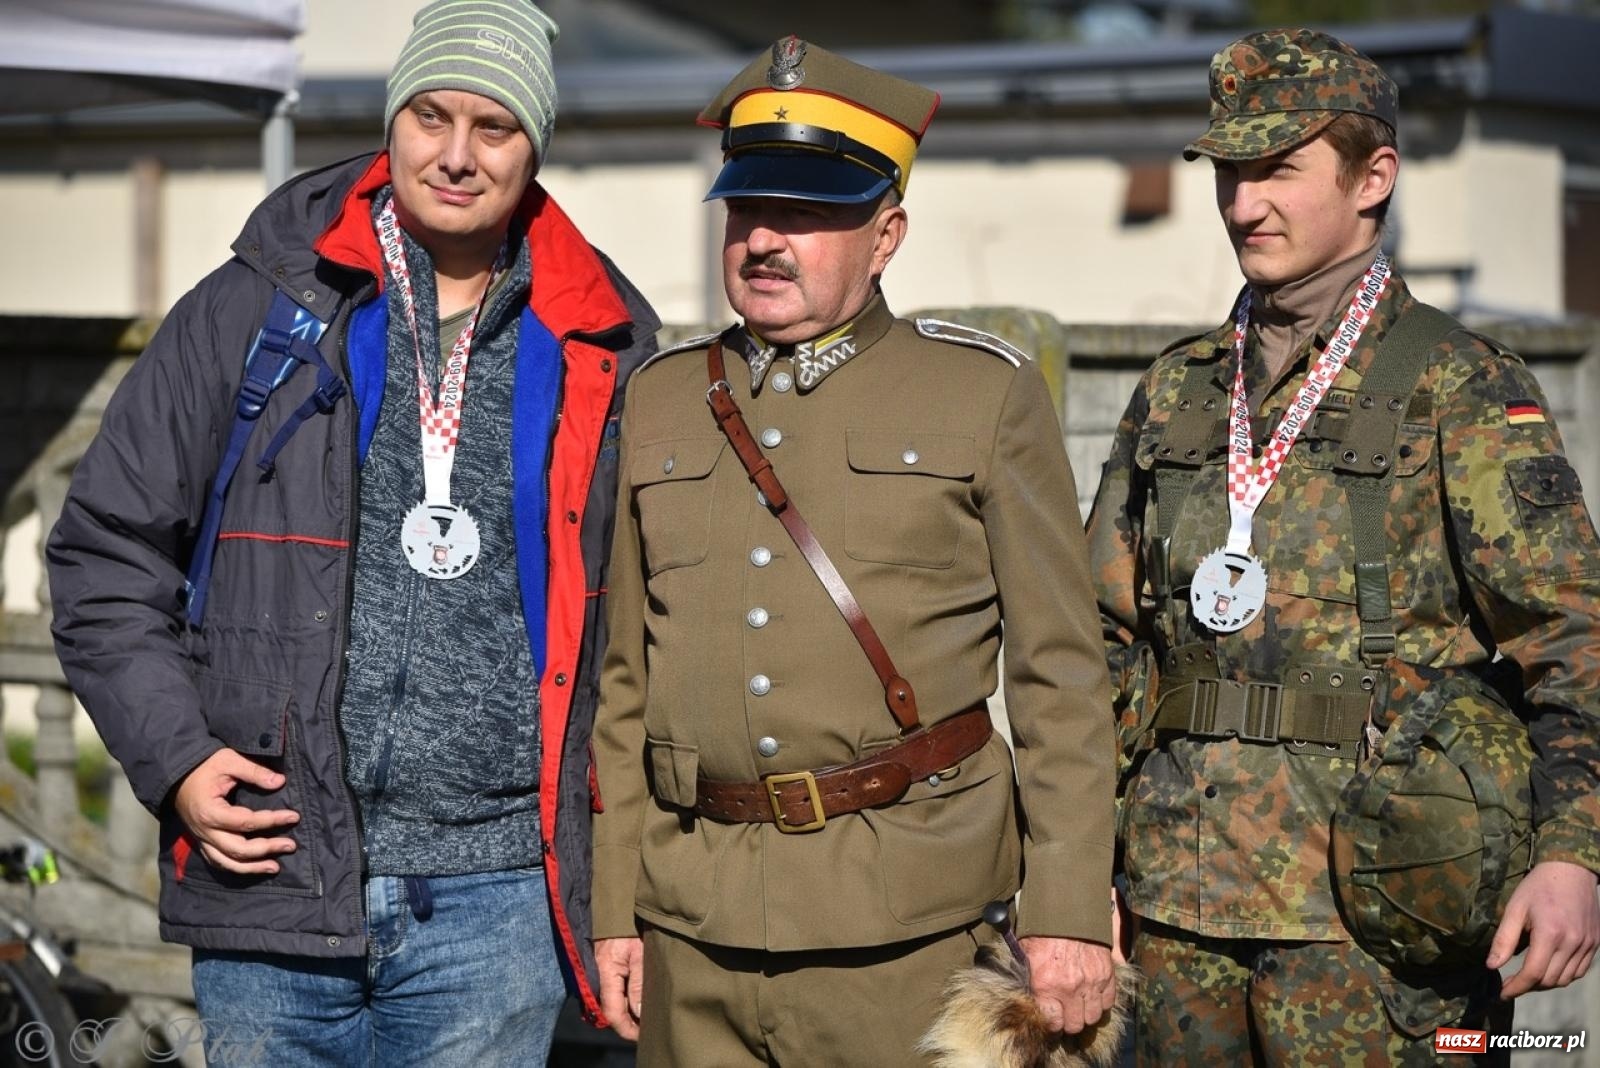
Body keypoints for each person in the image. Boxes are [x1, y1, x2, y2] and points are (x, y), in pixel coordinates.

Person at [45, 1, 658, 1062]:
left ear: (536, 146)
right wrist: (179, 757)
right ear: (393, 120)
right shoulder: (255, 305)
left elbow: (650, 622)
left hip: (499, 898)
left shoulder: (603, 337)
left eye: (494, 128)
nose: (455, 155)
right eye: (429, 116)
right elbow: (105, 553)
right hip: (270, 874)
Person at [588, 36, 1118, 1067]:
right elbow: (623, 686)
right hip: (692, 930)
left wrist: (1066, 909)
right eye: (749, 209)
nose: (765, 240)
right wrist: (619, 905)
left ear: (887, 235)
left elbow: (1059, 673)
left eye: (811, 213)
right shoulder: (658, 399)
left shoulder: (979, 395)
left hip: (906, 925)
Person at [1087, 27, 1600, 1065]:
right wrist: (1076, 870)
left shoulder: (1458, 385)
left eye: (1276, 169)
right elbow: (1096, 645)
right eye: (1230, 172)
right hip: (1177, 913)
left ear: (1375, 177)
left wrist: (1573, 855)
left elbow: (1574, 638)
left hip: (1384, 919)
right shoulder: (1178, 391)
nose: (1242, 205)